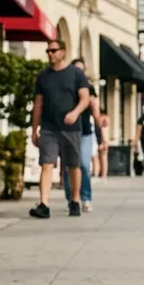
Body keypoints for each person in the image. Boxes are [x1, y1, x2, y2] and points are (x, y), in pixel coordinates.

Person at [29, 40, 91, 218]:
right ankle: (44, 204)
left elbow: (85, 98)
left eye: (53, 50)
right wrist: (35, 130)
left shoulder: (76, 74)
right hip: (49, 128)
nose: (50, 54)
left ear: (63, 52)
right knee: (46, 164)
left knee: (73, 165)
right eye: (48, 51)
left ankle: (75, 201)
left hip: (71, 128)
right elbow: (38, 105)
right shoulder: (43, 77)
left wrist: (75, 112)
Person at [60, 58, 106, 213]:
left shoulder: (89, 88)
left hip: (85, 131)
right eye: (76, 68)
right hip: (68, 131)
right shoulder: (65, 87)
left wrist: (101, 138)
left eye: (81, 69)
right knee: (68, 167)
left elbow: (96, 114)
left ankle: (86, 198)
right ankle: (71, 199)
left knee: (84, 165)